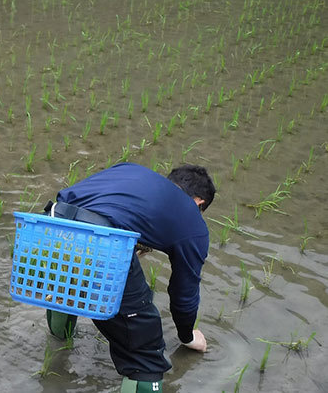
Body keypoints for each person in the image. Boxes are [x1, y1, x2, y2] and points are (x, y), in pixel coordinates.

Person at [44, 163, 215, 392]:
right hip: (102, 243)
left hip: (49, 227)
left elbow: (92, 208)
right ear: (199, 202)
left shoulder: (131, 170)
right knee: (145, 351)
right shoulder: (192, 219)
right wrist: (187, 336)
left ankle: (57, 347)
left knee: (64, 288)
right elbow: (184, 293)